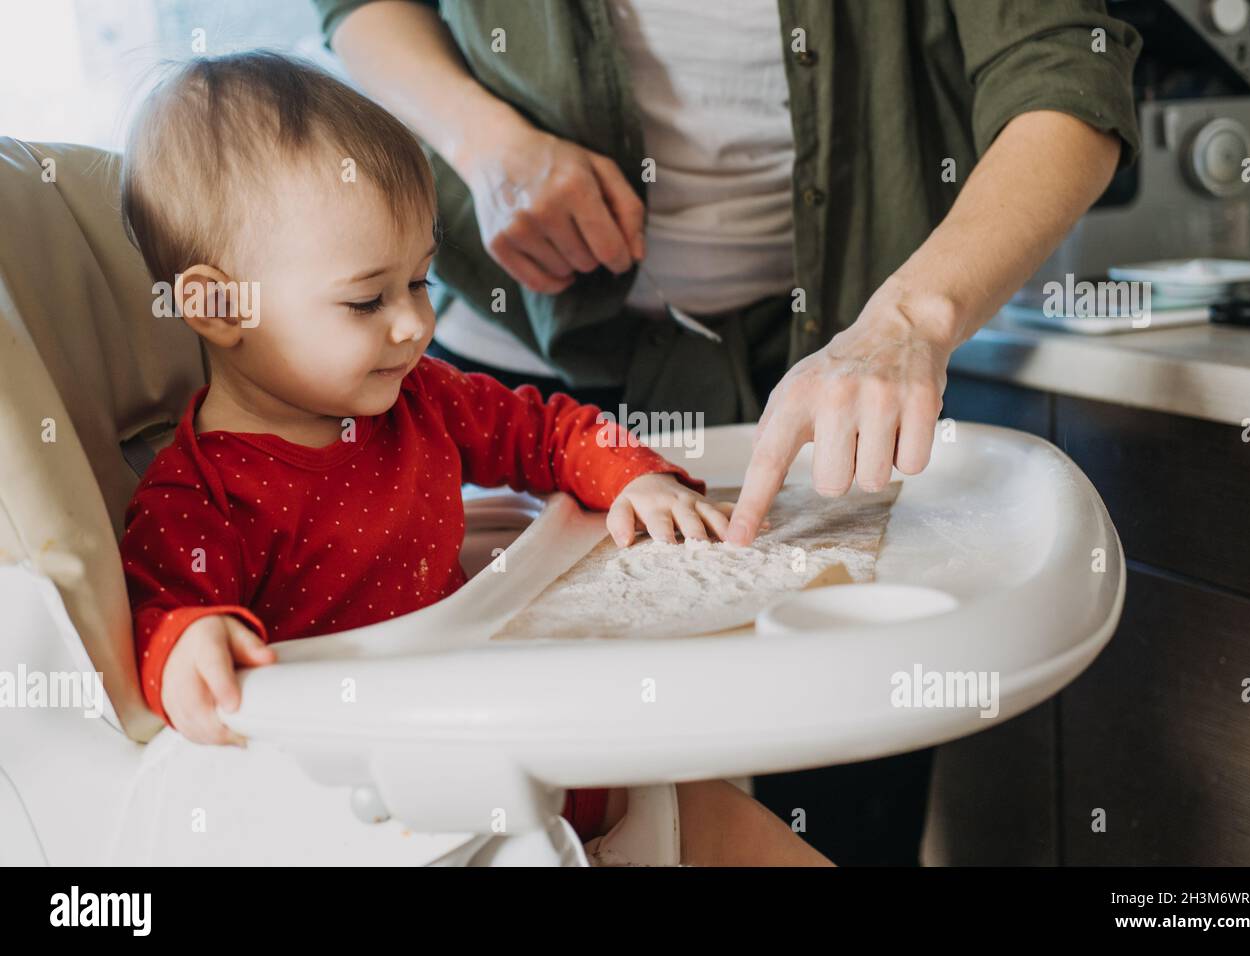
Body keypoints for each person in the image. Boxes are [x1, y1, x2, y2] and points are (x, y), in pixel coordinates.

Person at [315, 0, 1142, 863]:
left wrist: (908, 318)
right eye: (367, 299)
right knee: (580, 800)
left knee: (846, 785)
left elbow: (1064, 62)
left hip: (832, 367)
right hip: (521, 351)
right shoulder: (405, 415)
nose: (398, 326)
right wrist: (483, 139)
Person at [117, 51, 831, 865]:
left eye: (420, 282)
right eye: (367, 299)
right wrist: (185, 646)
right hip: (398, 813)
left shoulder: (419, 396)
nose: (413, 325)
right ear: (216, 306)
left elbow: (547, 431)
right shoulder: (198, 500)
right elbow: (155, 620)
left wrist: (633, 474)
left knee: (724, 819)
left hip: (519, 734)